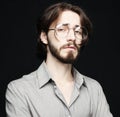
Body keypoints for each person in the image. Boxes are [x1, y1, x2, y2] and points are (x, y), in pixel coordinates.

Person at [5, 2, 113, 117]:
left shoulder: (94, 89)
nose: (72, 37)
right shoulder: (19, 90)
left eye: (78, 31)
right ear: (44, 37)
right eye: (62, 29)